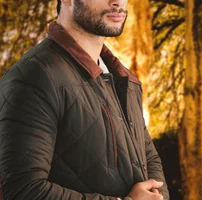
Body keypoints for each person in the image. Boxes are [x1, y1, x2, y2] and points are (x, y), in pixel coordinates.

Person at [0, 0, 169, 199]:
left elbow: (149, 159)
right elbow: (24, 190)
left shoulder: (125, 80)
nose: (117, 2)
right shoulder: (34, 76)